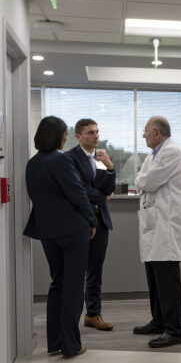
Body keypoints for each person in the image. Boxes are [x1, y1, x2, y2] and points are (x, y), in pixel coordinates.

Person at [23, 116, 97, 358]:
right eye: (65, 134)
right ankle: (71, 345)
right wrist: (92, 220)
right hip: (73, 230)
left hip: (47, 232)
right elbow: (77, 193)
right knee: (73, 288)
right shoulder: (61, 160)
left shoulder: (32, 164)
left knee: (58, 283)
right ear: (58, 136)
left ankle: (54, 341)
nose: (65, 138)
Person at [132, 116, 181, 348]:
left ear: (156, 132)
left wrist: (142, 180)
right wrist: (142, 180)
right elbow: (140, 180)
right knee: (154, 278)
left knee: (167, 281)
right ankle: (158, 321)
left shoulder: (172, 152)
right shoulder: (152, 155)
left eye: (146, 131)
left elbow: (147, 182)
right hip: (153, 223)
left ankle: (174, 330)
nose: (143, 135)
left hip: (167, 225)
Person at [68, 118, 116, 331]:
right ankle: (70, 318)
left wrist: (110, 168)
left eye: (97, 132)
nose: (96, 136)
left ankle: (93, 314)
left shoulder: (100, 157)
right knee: (76, 272)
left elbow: (108, 188)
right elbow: (79, 189)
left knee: (96, 271)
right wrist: (103, 197)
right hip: (80, 221)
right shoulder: (69, 158)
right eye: (90, 132)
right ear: (78, 136)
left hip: (100, 221)